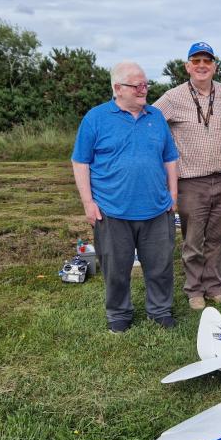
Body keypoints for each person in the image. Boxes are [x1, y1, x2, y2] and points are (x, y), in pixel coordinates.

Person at [72, 61, 179, 332]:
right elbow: (81, 162)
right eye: (137, 85)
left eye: (145, 84)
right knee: (115, 268)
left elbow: (170, 159)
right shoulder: (95, 118)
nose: (144, 89)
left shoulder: (155, 117)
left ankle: (160, 310)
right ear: (117, 88)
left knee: (160, 266)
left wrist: (173, 195)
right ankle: (119, 314)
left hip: (156, 209)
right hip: (112, 209)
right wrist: (88, 202)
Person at [154, 42, 221, 311]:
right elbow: (151, 124)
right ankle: (194, 290)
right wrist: (166, 152)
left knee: (218, 237)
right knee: (193, 239)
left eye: (207, 61)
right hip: (190, 180)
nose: (202, 66)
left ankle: (214, 286)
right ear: (187, 66)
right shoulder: (173, 97)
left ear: (215, 66)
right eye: (196, 61)